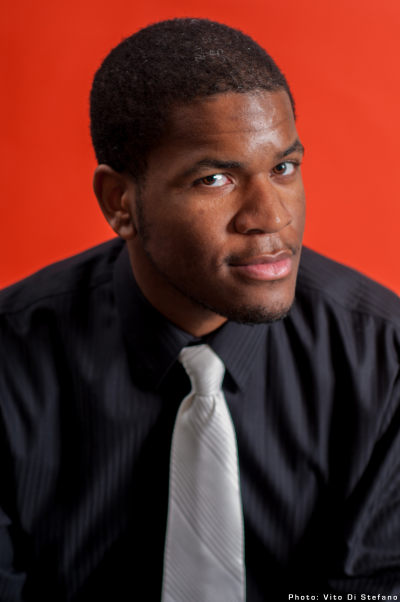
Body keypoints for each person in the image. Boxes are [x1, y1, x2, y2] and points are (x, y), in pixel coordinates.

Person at [1, 17, 400, 602]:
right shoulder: (11, 363)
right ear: (120, 202)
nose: (271, 217)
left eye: (284, 168)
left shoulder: (383, 360)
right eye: (214, 178)